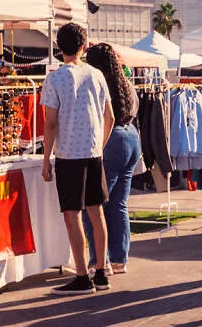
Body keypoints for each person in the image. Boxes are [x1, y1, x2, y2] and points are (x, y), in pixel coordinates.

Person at [41, 23, 114, 295]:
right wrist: (100, 145)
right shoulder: (97, 75)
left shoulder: (55, 78)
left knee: (72, 215)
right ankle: (101, 272)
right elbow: (110, 117)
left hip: (69, 153)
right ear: (84, 46)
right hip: (93, 152)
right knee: (96, 213)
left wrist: (45, 158)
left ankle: (82, 276)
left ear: (60, 49)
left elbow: (50, 123)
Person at [82, 43, 141, 276]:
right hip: (131, 138)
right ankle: (119, 259)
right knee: (119, 203)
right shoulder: (125, 84)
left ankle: (99, 260)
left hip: (110, 139)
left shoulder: (97, 83)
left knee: (95, 205)